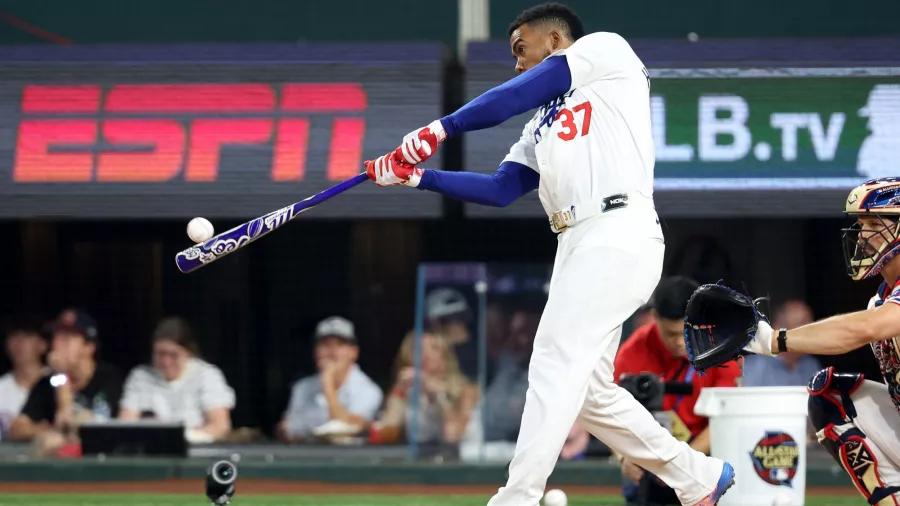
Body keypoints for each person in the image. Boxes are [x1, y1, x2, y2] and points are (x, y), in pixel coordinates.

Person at [362, 3, 734, 505]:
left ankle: (517, 496)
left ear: (556, 39)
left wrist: (440, 129)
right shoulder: (542, 122)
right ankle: (698, 478)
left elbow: (516, 93)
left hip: (617, 227)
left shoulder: (604, 51)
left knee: (553, 363)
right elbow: (500, 187)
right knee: (590, 392)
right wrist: (417, 177)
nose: (517, 63)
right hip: (576, 242)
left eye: (522, 49)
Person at [740, 177, 900, 504]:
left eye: (873, 222)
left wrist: (774, 340)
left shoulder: (881, 312)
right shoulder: (880, 299)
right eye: (861, 223)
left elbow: (863, 329)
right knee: (831, 396)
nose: (863, 235)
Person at [614, 276, 741, 505]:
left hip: (704, 455)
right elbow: (611, 413)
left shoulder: (721, 347)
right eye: (672, 334)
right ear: (654, 318)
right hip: (648, 456)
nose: (680, 342)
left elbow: (725, 418)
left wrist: (680, 464)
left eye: (686, 331)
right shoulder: (633, 350)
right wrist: (624, 457)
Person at [8, 309, 122, 456]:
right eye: (55, 338)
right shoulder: (49, 381)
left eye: (66, 339)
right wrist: (51, 429)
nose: (56, 345)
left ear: (89, 347)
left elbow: (73, 423)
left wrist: (61, 376)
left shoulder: (108, 377)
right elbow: (17, 429)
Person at [118, 317, 236, 443]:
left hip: (194, 451)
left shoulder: (207, 376)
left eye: (173, 355)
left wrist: (185, 438)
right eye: (160, 354)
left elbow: (220, 426)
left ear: (188, 352)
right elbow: (126, 425)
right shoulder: (140, 377)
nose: (166, 362)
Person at [277, 316, 383, 443]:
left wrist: (327, 383)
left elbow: (350, 429)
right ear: (315, 352)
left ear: (354, 352)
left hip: (351, 458)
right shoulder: (302, 388)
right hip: (308, 456)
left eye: (340, 345)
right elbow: (289, 431)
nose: (332, 352)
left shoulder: (368, 390)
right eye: (325, 345)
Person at [0, 316, 48, 441]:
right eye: (14, 336)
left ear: (42, 344)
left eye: (27, 336)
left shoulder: (59, 381)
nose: (18, 343)